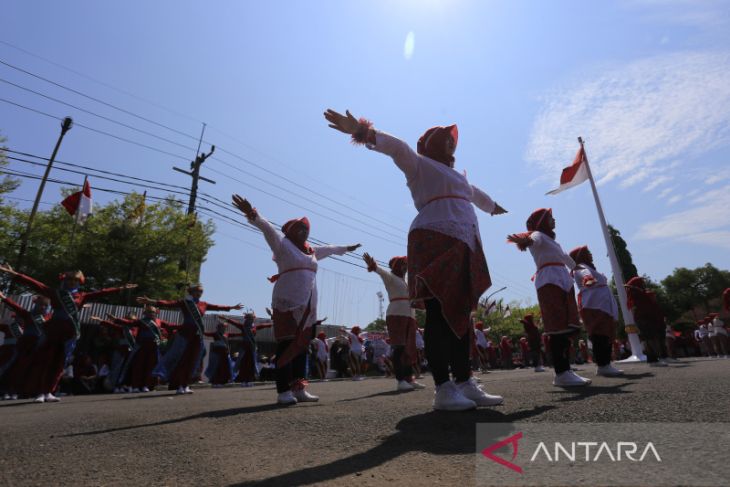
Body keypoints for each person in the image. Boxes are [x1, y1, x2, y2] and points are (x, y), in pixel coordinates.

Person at [325, 108, 505, 410]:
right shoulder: (420, 165)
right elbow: (398, 149)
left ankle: (464, 381)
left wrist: (494, 207)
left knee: (462, 313)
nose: (451, 143)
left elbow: (477, 195)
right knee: (438, 312)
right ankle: (443, 389)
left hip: (465, 242)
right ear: (432, 144)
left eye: (452, 139)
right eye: (445, 139)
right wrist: (363, 131)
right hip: (434, 237)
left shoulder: (459, 179)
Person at [232, 195, 360, 405]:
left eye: (305, 229)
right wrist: (251, 213)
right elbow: (266, 228)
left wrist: (347, 248)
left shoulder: (312, 251)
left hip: (309, 304)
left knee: (302, 346)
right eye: (299, 228)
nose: (303, 231)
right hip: (287, 300)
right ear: (290, 231)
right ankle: (283, 391)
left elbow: (330, 248)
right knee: (287, 343)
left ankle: (299, 388)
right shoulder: (282, 244)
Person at [0, 265, 137, 403]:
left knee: (60, 363)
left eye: (75, 280)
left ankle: (49, 391)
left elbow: (102, 292)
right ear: (64, 280)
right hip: (54, 330)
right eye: (69, 279)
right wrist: (15, 274)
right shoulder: (55, 293)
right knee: (46, 361)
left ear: (79, 282)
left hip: (69, 333)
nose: (72, 282)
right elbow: (35, 284)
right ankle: (40, 392)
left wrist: (121, 288)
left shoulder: (82, 296)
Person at [508, 208, 591, 387]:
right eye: (551, 218)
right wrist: (525, 240)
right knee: (557, 327)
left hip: (563, 280)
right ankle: (561, 373)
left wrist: (584, 275)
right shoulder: (538, 234)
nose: (554, 221)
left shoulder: (553, 242)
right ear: (542, 222)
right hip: (549, 280)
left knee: (567, 326)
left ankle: (566, 370)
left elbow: (569, 262)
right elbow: (532, 240)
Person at [137, 284, 242, 395]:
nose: (199, 293)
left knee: (193, 361)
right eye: (197, 291)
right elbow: (169, 303)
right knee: (181, 359)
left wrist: (232, 307)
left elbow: (217, 307)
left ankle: (185, 385)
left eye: (201, 291)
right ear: (191, 292)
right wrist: (151, 301)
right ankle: (177, 384)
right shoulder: (185, 303)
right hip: (185, 334)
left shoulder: (203, 304)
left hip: (197, 336)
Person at [363, 253, 425, 391]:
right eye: (403, 265)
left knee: (409, 349)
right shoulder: (391, 278)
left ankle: (409, 379)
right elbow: (381, 272)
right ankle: (400, 380)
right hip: (396, 315)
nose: (405, 268)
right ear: (397, 266)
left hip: (410, 316)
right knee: (399, 348)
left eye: (406, 266)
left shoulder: (405, 282)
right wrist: (373, 266)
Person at [569, 245, 624, 376]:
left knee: (606, 333)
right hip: (594, 305)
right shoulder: (581, 267)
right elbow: (585, 275)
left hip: (601, 305)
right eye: (588, 252)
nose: (591, 255)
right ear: (581, 256)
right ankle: (603, 365)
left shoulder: (589, 267)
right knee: (600, 334)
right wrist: (587, 279)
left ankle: (605, 364)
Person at [0, 293, 51, 400]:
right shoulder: (27, 316)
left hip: (39, 347)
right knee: (18, 369)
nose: (43, 307)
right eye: (41, 304)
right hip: (24, 348)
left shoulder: (48, 317)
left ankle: (33, 391)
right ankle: (11, 390)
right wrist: (4, 298)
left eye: (45, 305)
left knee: (36, 370)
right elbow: (16, 307)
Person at [624, 276, 668, 366]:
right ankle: (653, 360)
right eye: (641, 282)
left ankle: (654, 359)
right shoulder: (637, 293)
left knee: (650, 338)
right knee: (649, 339)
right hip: (644, 319)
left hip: (646, 319)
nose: (643, 284)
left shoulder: (638, 292)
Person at [221, 313, 272, 387]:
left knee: (254, 362)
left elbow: (263, 326)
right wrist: (226, 319)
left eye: (251, 319)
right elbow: (234, 323)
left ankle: (257, 376)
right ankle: (232, 377)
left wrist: (272, 324)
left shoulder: (254, 328)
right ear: (247, 319)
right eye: (249, 319)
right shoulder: (243, 327)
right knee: (238, 360)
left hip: (252, 346)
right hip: (244, 346)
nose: (250, 320)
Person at [204, 322, 241, 387]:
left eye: (224, 327)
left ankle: (223, 382)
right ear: (219, 327)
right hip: (217, 354)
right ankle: (216, 382)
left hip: (225, 354)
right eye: (222, 327)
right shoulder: (215, 334)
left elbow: (235, 334)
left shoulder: (226, 334)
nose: (224, 328)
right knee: (217, 367)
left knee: (226, 368)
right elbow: (206, 333)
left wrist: (243, 333)